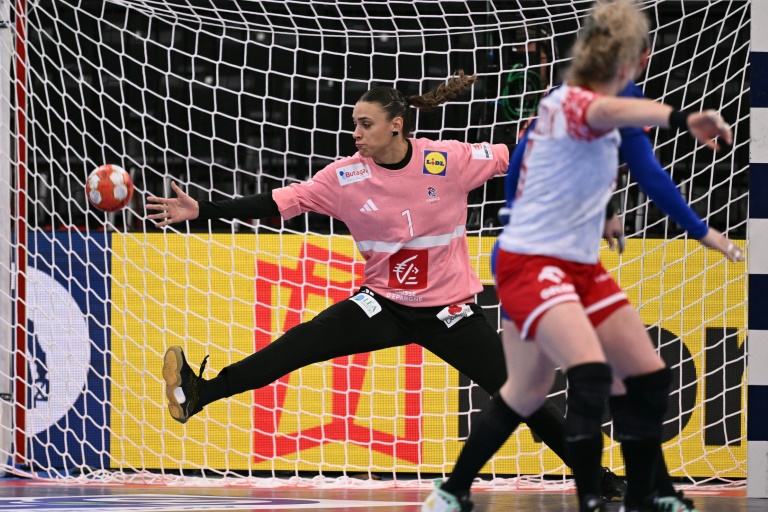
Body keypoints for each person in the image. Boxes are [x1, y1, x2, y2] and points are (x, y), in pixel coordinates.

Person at [147, 71, 626, 501]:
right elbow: (278, 201)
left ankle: (597, 479)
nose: (355, 133)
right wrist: (205, 210)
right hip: (383, 305)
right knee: (294, 346)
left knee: (522, 396)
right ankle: (198, 393)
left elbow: (513, 158)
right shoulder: (343, 177)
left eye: (365, 124)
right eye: (353, 124)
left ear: (396, 125)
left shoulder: (448, 159)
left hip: (449, 313)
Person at [421, 2, 742, 512]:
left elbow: (639, 167)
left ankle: (454, 491)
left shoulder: (619, 98)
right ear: (636, 58)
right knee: (591, 371)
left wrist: (614, 210)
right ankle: (596, 496)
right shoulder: (570, 99)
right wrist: (681, 116)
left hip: (575, 261)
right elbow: (597, 119)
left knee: (583, 382)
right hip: (530, 259)